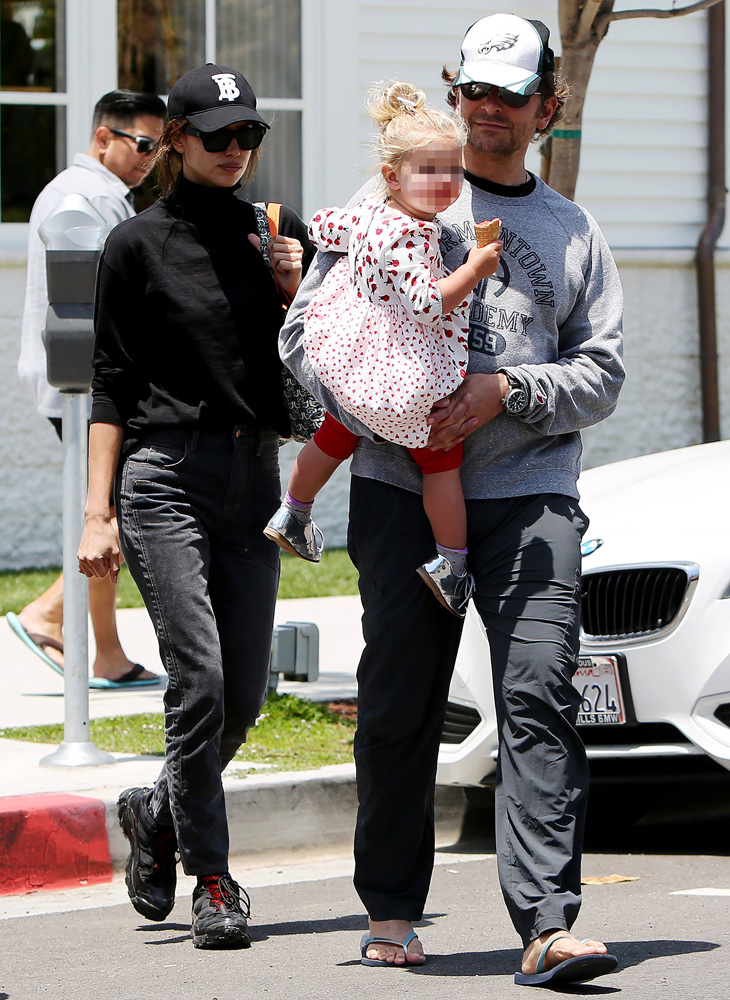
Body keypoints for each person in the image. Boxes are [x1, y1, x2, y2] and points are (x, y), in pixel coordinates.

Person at [280, 13, 624, 988]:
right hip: (400, 493)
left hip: (528, 497)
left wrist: (502, 390)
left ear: (544, 110)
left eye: (508, 96)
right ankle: (391, 908)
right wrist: (389, 400)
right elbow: (309, 335)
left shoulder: (570, 231)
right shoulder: (394, 193)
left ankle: (548, 924)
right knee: (398, 703)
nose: (484, 110)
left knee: (537, 694)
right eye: (471, 89)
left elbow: (601, 375)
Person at [76, 63, 312, 950]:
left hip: (254, 482)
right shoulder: (134, 245)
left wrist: (299, 286)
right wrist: (98, 512)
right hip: (163, 477)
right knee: (200, 679)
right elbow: (108, 386)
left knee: (244, 696)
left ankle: (156, 808)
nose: (235, 150)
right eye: (216, 135)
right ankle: (213, 879)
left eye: (248, 135)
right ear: (173, 139)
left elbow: (323, 356)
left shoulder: (279, 235)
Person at [265, 81, 502, 616]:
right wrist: (475, 267)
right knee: (441, 461)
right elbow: (426, 300)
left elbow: (326, 226)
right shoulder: (410, 233)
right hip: (402, 375)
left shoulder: (370, 214)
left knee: (339, 427)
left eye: (455, 170)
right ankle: (452, 564)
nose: (447, 184)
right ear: (393, 176)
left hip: (355, 363)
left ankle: (294, 512)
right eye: (431, 171)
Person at [10, 89, 166, 688]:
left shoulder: (94, 194)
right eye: (143, 145)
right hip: (83, 387)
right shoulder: (86, 198)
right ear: (105, 138)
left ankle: (104, 652)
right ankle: (50, 615)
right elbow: (110, 301)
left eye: (158, 147)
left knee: (111, 512)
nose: (151, 159)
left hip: (80, 383)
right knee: (110, 513)